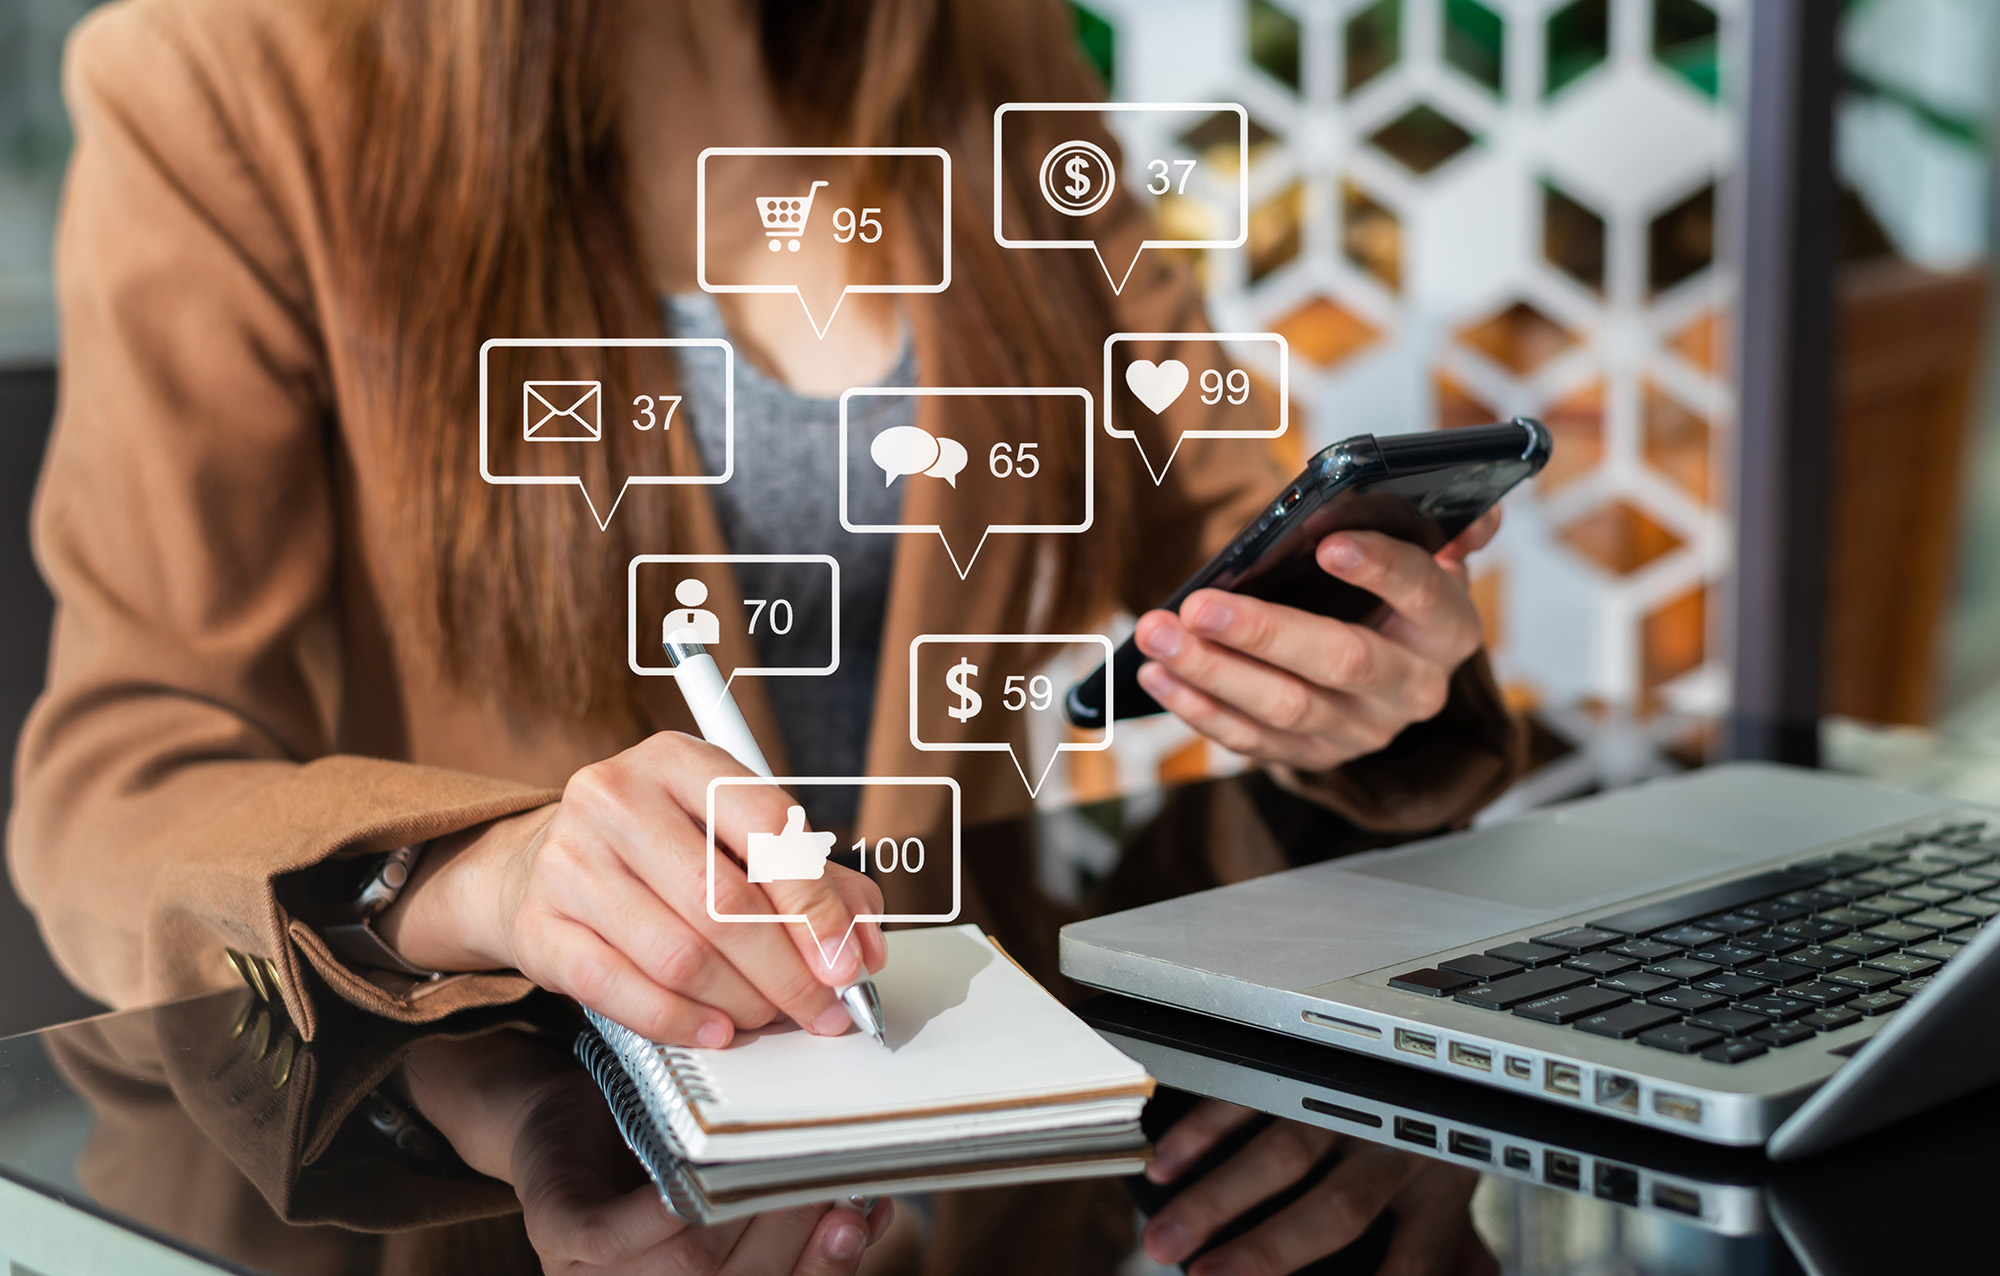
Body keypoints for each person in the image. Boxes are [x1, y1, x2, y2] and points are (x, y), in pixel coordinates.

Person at [10, 0, 1523, 1271]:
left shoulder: (990, 48)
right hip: (543, 1185)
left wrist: (1356, 673)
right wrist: (471, 876)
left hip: (992, 1156)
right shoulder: (225, 76)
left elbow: (1209, 508)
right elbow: (117, 774)